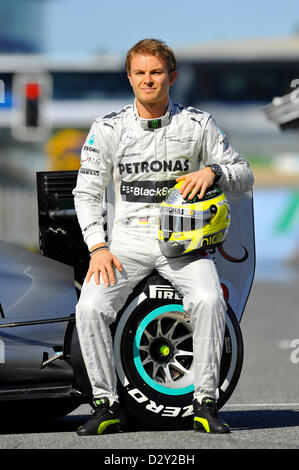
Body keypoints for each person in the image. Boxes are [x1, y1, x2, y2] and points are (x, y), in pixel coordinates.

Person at [73, 38, 254, 436]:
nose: (148, 80)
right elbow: (85, 193)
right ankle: (105, 404)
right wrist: (97, 247)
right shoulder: (107, 128)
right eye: (140, 73)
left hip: (184, 245)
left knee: (209, 300)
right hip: (125, 243)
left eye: (156, 72)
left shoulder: (197, 124)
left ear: (171, 76)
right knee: (89, 308)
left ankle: (205, 403)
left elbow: (244, 172)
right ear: (129, 77)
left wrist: (214, 172)